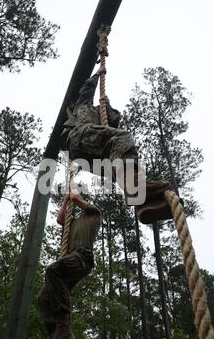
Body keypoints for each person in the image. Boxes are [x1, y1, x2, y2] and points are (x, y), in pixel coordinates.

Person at [61, 67, 173, 224]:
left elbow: (113, 121)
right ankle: (135, 188)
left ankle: (144, 204)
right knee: (122, 137)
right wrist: (97, 74)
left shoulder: (100, 116)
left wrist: (107, 104)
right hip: (79, 136)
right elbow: (86, 90)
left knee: (115, 169)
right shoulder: (82, 108)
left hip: (89, 155)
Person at [38, 190, 102, 339]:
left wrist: (72, 195)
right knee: (43, 298)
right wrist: (65, 200)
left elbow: (76, 198)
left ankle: (64, 331)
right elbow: (60, 219)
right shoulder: (72, 222)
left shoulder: (94, 214)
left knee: (52, 270)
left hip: (82, 257)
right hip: (72, 259)